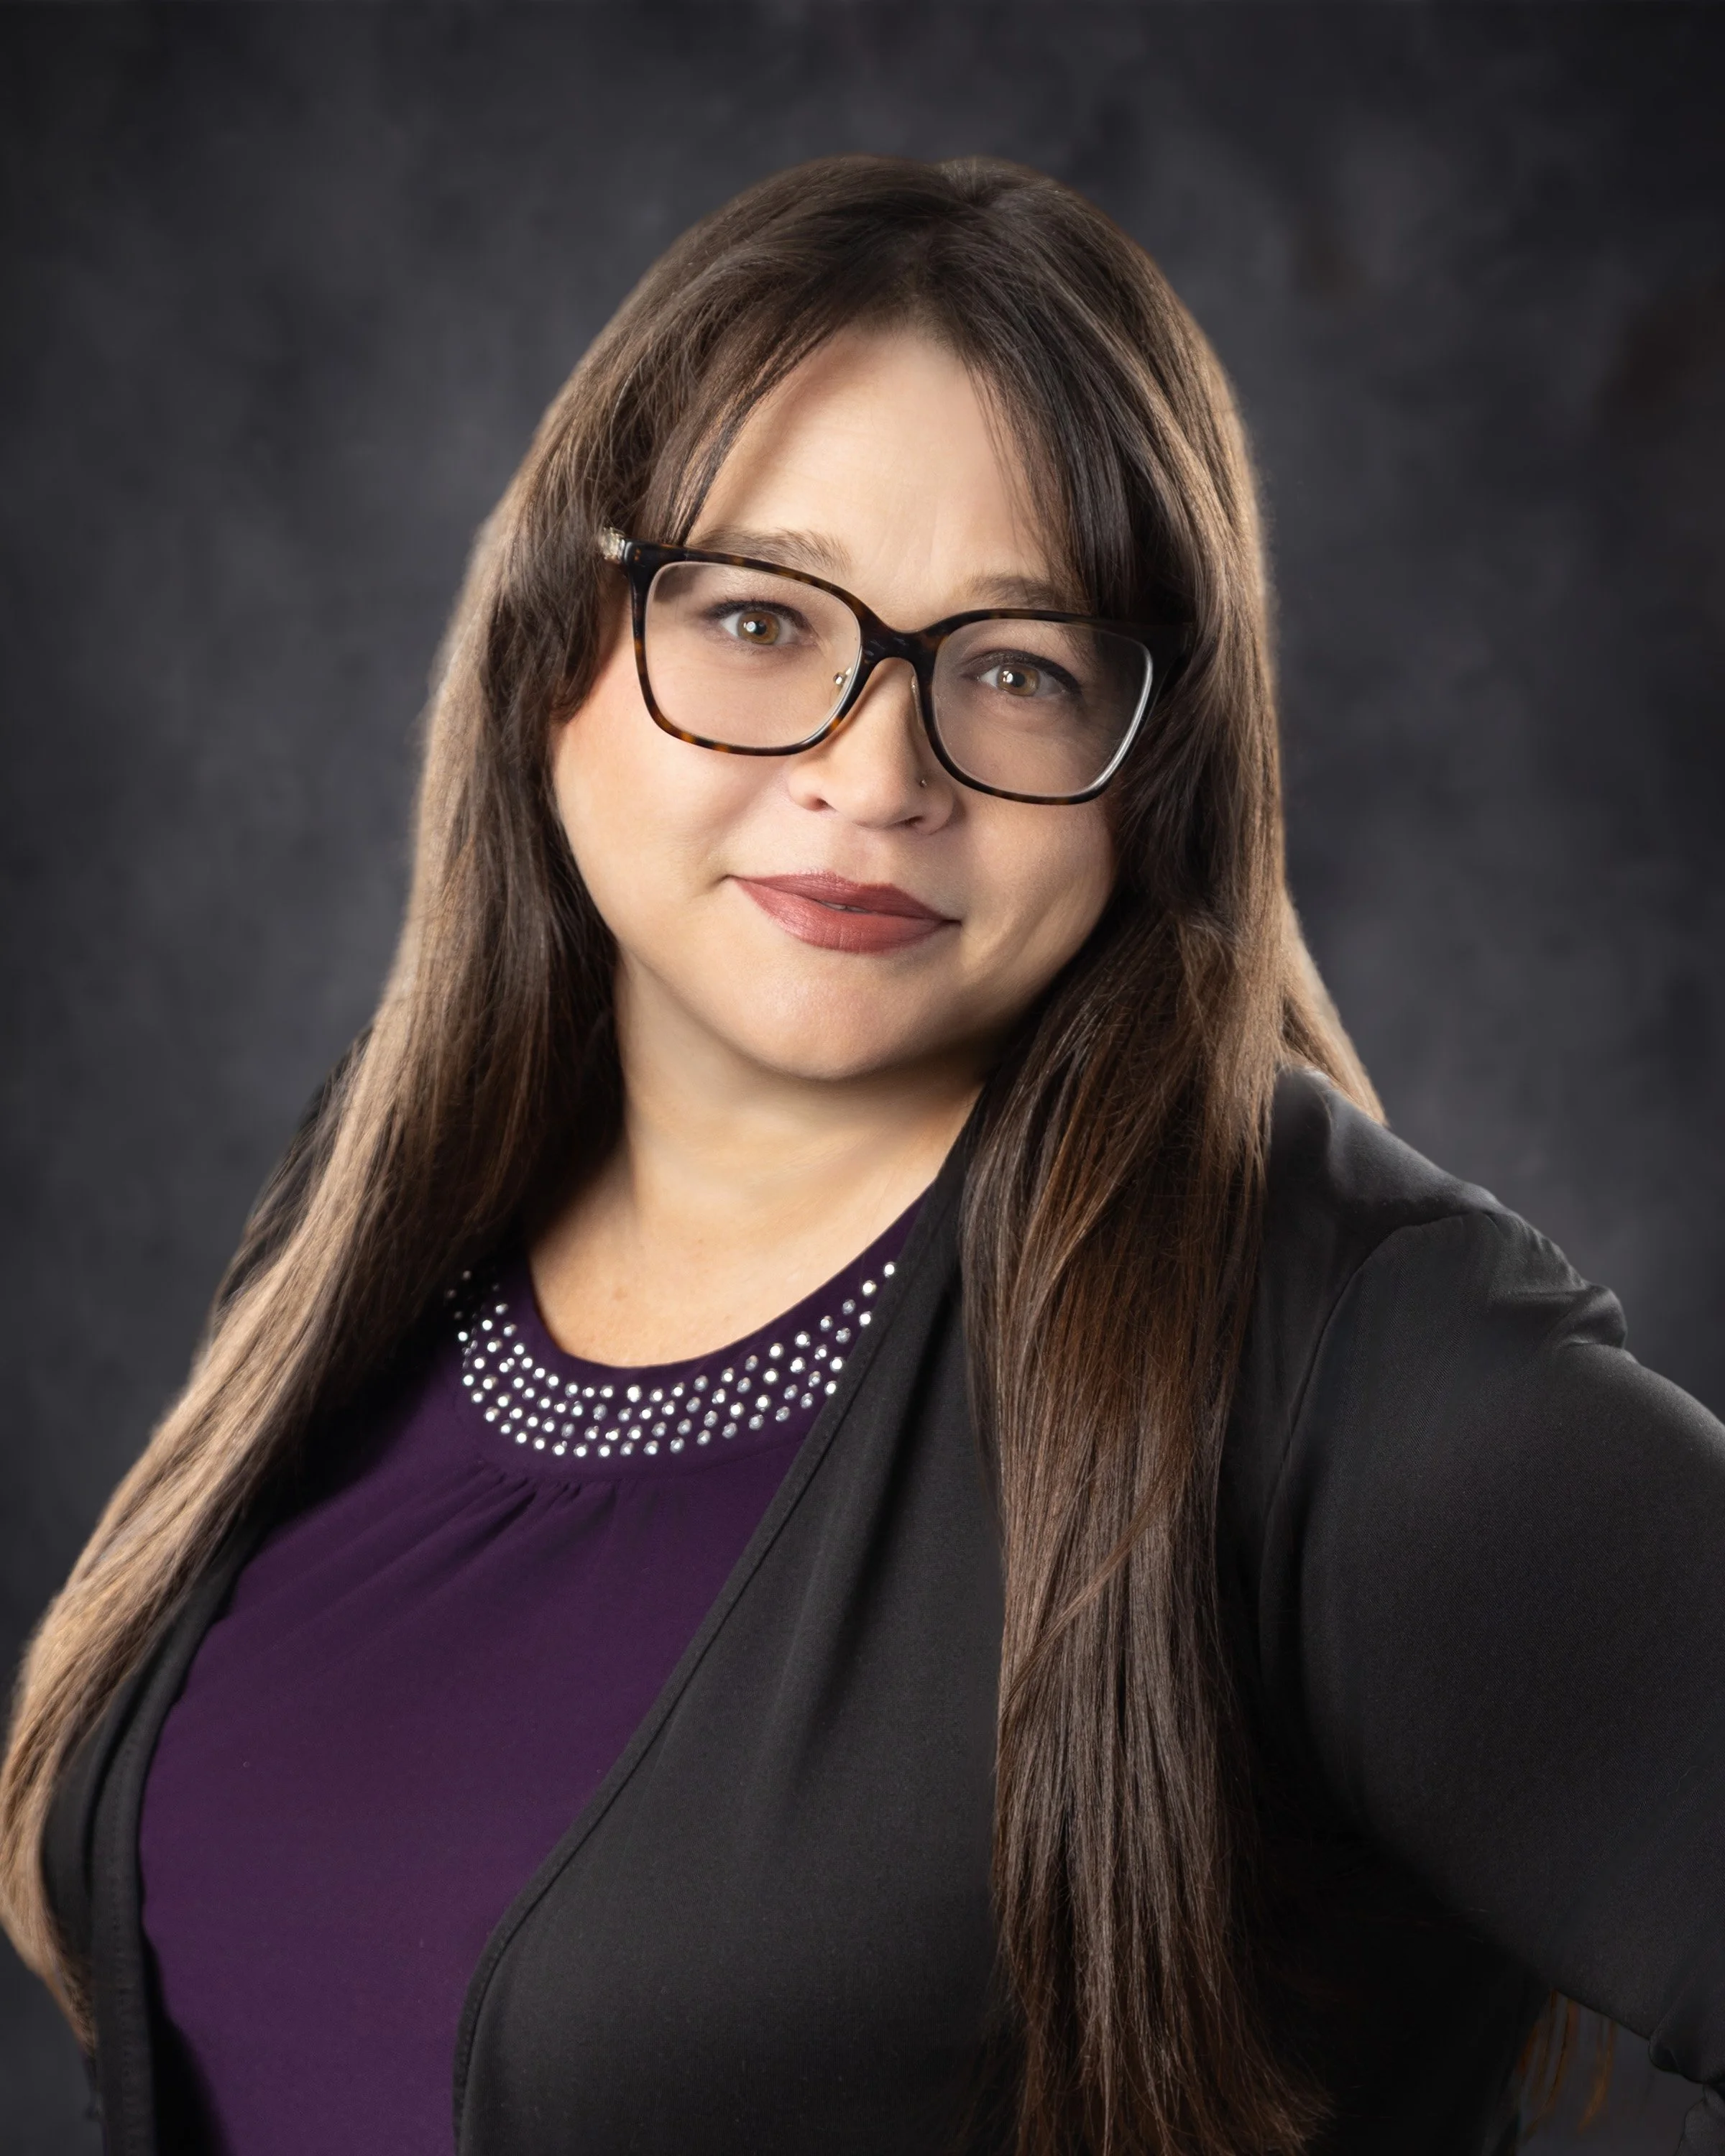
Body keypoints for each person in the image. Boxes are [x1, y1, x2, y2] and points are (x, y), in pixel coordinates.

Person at [3, 153, 1722, 2156]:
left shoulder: (1346, 1374)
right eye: (755, 617)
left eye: (1017, 667)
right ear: (556, 649)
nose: (873, 771)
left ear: (1152, 764)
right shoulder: (387, 1209)